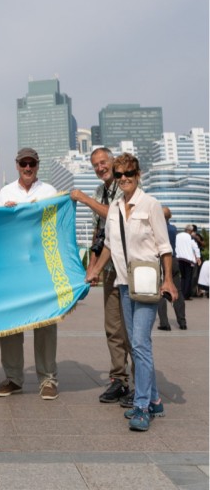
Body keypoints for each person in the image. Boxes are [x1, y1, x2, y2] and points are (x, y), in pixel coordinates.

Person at [86, 153, 177, 432]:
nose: (123, 178)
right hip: (124, 283)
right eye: (119, 175)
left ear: (138, 175)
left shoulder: (150, 204)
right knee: (135, 342)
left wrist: (168, 281)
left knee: (139, 343)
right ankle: (155, 399)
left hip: (147, 282)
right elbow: (110, 246)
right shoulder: (114, 207)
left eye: (128, 173)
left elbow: (164, 247)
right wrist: (94, 270)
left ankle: (141, 407)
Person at [0, 148, 59, 401]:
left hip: (41, 265)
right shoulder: (5, 192)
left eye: (32, 163)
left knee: (45, 323)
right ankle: (13, 378)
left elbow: (55, 222)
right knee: (10, 323)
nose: (28, 167)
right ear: (17, 165)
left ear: (38, 165)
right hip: (12, 265)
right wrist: (7, 214)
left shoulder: (49, 191)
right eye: (24, 163)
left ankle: (47, 379)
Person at [70, 147, 132, 404]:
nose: (100, 168)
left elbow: (117, 217)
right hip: (109, 268)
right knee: (113, 327)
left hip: (130, 265)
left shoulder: (125, 184)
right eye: (95, 165)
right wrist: (91, 266)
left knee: (132, 327)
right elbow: (99, 233)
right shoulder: (100, 191)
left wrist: (85, 199)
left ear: (113, 161)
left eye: (103, 162)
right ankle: (119, 379)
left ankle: (142, 384)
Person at [157, 207, 187, 331]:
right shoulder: (173, 229)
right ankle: (182, 322)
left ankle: (164, 323)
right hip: (173, 260)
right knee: (177, 291)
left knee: (160, 291)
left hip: (161, 260)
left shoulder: (158, 228)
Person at [175, 225, 201, 301]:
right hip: (188, 260)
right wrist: (198, 257)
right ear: (190, 231)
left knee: (182, 277)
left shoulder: (178, 236)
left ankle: (181, 293)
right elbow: (195, 247)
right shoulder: (190, 237)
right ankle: (186, 295)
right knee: (188, 277)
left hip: (179, 258)